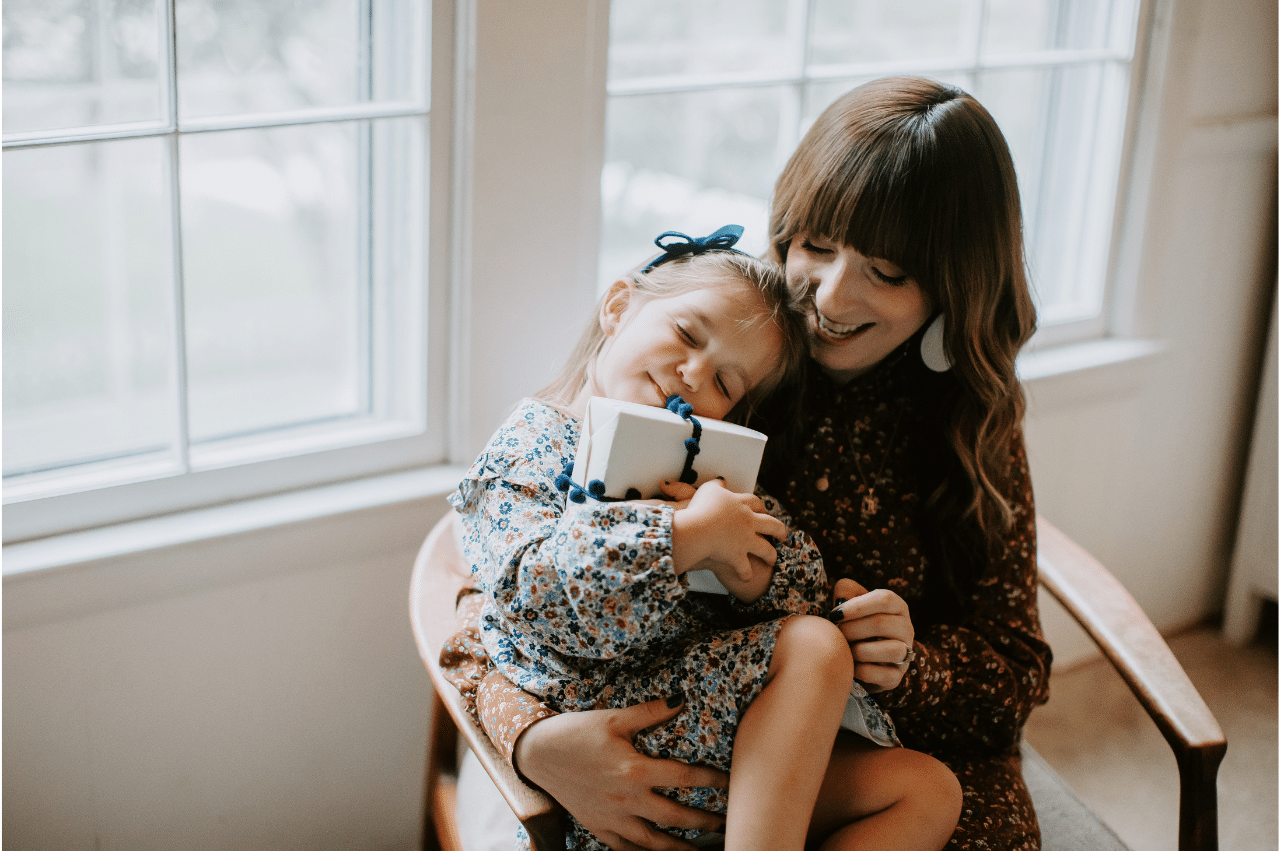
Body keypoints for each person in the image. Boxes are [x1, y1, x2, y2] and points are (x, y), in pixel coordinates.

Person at [441, 76, 1053, 851]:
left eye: (887, 273)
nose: (830, 296)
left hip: (897, 744)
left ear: (951, 290)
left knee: (939, 798)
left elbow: (1015, 672)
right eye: (818, 248)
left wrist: (911, 664)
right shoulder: (728, 360)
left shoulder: (971, 417)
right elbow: (491, 595)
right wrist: (534, 740)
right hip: (693, 717)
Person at [444, 231, 962, 851]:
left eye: (726, 381)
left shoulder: (701, 463)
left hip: (732, 749)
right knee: (815, 648)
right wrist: (680, 537)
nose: (692, 375)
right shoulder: (527, 448)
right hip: (616, 730)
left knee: (927, 792)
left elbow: (804, 579)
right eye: (688, 335)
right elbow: (533, 594)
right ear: (618, 307)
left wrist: (759, 574)